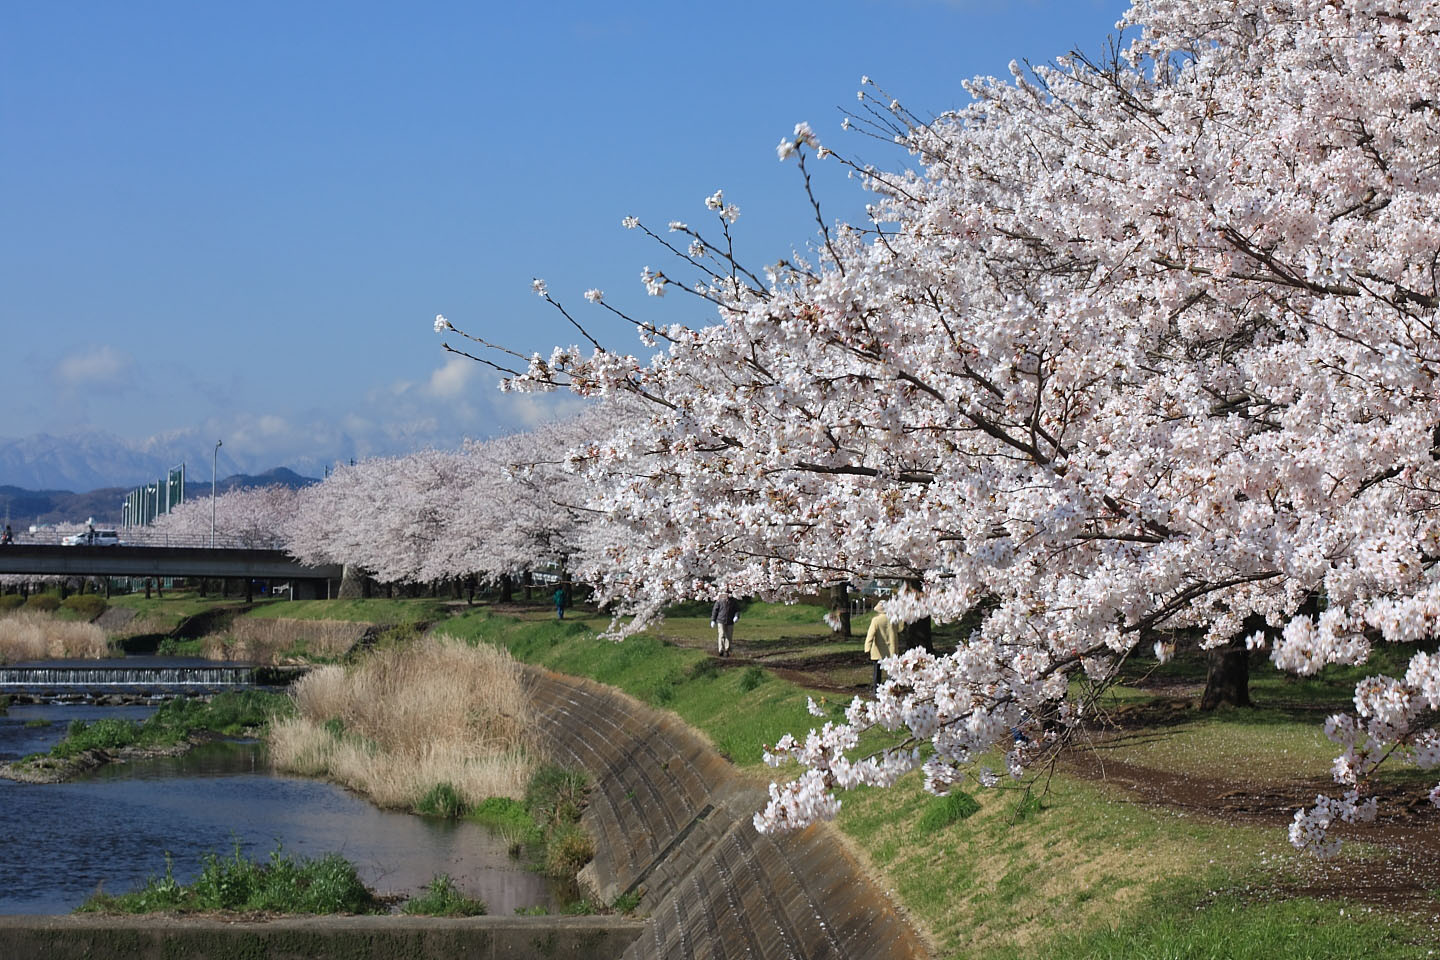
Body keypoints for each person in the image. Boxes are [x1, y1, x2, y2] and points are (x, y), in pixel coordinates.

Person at [864, 600, 903, 691]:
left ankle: (876, 690)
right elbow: (899, 629)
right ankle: (892, 690)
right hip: (891, 649)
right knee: (891, 671)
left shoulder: (876, 620)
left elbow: (870, 634)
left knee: (877, 673)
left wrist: (867, 647)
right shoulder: (893, 619)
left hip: (878, 651)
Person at [710, 592, 740, 657]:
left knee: (729, 636)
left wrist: (736, 616)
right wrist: (713, 620)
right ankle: (720, 650)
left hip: (730, 621)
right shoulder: (719, 600)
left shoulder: (733, 601)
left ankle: (727, 650)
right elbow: (715, 610)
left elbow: (737, 610)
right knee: (721, 634)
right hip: (721, 620)